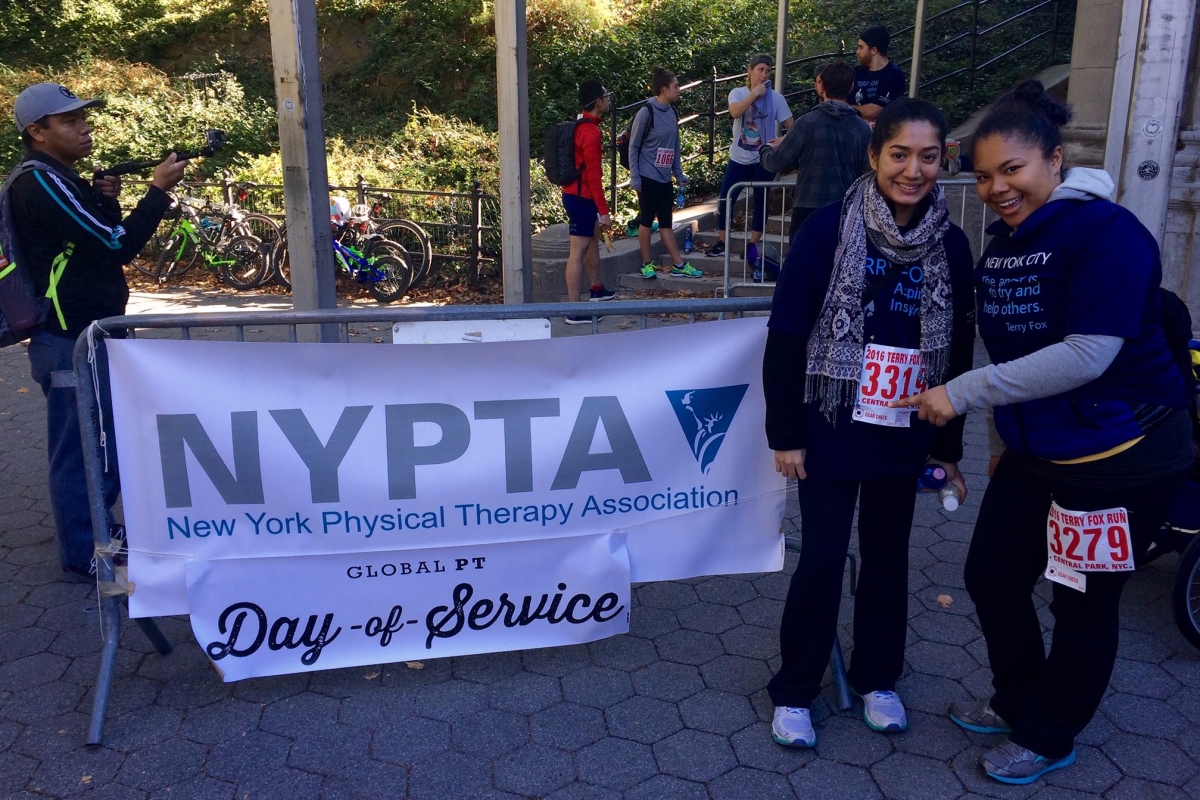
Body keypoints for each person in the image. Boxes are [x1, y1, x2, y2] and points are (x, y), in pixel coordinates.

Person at [895, 80, 1193, 786]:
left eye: (1013, 170)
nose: (997, 187)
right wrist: (1001, 450)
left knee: (1082, 603)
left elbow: (1088, 354)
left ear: (1055, 161)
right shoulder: (1005, 243)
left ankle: (1049, 732)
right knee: (992, 576)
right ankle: (1019, 700)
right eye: (986, 174)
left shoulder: (1108, 233)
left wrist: (956, 396)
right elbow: (1014, 359)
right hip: (1036, 452)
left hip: (1121, 457)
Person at [763, 98, 976, 748]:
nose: (913, 170)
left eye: (928, 156)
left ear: (944, 160)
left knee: (887, 558)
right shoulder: (827, 229)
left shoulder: (951, 242)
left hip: (905, 428)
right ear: (875, 155)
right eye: (900, 154)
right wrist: (786, 434)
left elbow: (958, 350)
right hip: (831, 421)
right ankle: (796, 689)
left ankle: (878, 678)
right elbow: (787, 336)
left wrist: (948, 446)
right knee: (823, 560)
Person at [9, 83, 187, 580]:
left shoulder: (62, 179)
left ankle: (101, 533)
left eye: (84, 117)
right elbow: (115, 247)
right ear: (37, 132)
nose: (84, 126)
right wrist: (156, 193)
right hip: (69, 340)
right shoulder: (39, 183)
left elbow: (91, 238)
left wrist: (103, 198)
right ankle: (84, 550)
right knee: (79, 448)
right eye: (68, 121)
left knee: (104, 440)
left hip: (92, 334)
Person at [760, 60, 871, 242]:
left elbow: (774, 163)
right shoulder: (862, 128)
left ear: (822, 87)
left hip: (807, 207)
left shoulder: (806, 123)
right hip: (844, 209)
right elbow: (867, 174)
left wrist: (764, 147)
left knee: (802, 267)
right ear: (851, 87)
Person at [708, 54, 794, 267]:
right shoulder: (738, 93)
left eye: (767, 70)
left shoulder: (776, 99)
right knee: (726, 198)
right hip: (739, 157)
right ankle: (722, 241)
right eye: (760, 70)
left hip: (763, 158)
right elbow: (735, 112)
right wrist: (754, 94)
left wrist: (781, 139)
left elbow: (793, 127)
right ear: (750, 71)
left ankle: (752, 244)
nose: (764, 74)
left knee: (761, 201)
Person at [629, 67, 700, 280]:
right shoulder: (646, 112)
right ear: (664, 89)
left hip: (664, 177)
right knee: (647, 220)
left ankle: (678, 264)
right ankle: (646, 263)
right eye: (676, 86)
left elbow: (674, 144)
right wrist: (635, 177)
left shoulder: (672, 112)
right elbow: (633, 146)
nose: (679, 89)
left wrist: (678, 173)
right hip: (647, 175)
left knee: (666, 221)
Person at [561, 78, 618, 325]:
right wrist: (603, 212)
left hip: (576, 194)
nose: (608, 100)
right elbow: (594, 177)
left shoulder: (581, 124)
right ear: (598, 101)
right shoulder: (591, 132)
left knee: (592, 240)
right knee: (577, 252)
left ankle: (596, 288)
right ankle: (574, 311)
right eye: (606, 96)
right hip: (581, 198)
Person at [852, 26, 907, 126]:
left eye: (861, 47)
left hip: (882, 132)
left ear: (873, 50)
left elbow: (873, 111)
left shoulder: (893, 75)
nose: (857, 52)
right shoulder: (857, 72)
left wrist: (845, 107)